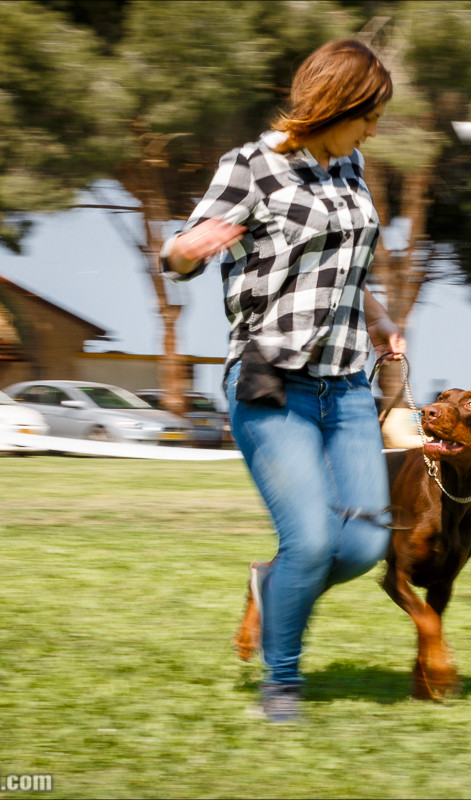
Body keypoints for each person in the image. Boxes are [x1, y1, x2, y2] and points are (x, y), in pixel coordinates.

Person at [160, 39, 403, 722]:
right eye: (369, 115)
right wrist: (188, 249)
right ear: (336, 106)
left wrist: (380, 319)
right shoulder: (251, 167)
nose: (373, 130)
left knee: (363, 545)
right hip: (273, 386)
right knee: (313, 541)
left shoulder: (350, 165)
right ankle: (283, 682)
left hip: (348, 385)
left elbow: (347, 266)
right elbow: (177, 255)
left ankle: (275, 588)